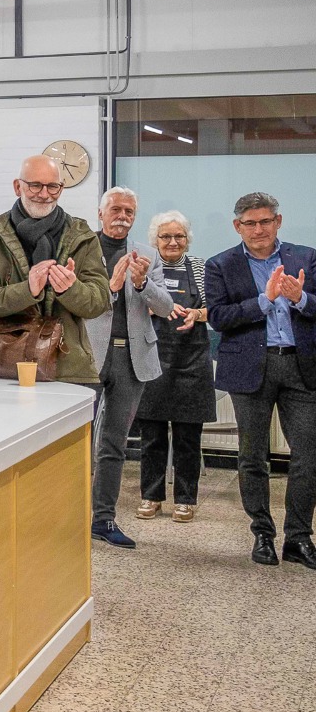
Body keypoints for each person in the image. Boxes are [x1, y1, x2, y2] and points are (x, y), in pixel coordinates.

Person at [204, 192, 316, 570]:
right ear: (237, 226)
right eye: (249, 223)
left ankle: (298, 538)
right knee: (253, 456)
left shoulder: (306, 257)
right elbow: (219, 317)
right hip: (250, 366)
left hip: (301, 367)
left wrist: (301, 299)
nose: (258, 230)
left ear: (278, 221)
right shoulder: (221, 264)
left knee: (308, 455)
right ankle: (262, 533)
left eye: (265, 221)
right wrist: (264, 300)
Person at [84, 187, 173, 550]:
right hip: (86, 356)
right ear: (100, 213)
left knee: (114, 444)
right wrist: (111, 286)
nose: (122, 216)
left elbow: (166, 307)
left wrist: (141, 282)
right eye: (116, 210)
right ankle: (68, 513)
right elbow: (70, 300)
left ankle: (103, 518)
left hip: (131, 357)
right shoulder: (82, 248)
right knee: (75, 442)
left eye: (129, 211)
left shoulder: (148, 254)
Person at [0, 155, 109, 392]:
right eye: (35, 185)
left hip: (68, 367)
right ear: (18, 187)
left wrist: (71, 289)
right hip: (3, 366)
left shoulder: (83, 237)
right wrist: (27, 290)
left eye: (52, 186)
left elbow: (99, 303)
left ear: (61, 188)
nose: (44, 194)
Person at [135, 211, 216, 524]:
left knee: (188, 438)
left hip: (191, 360)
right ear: (155, 240)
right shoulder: (145, 267)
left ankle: (185, 500)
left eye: (178, 236)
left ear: (187, 239)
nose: (172, 242)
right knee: (152, 436)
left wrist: (196, 314)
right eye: (165, 236)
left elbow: (215, 310)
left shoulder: (200, 267)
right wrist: (157, 308)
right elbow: (131, 307)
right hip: (153, 358)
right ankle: (151, 496)